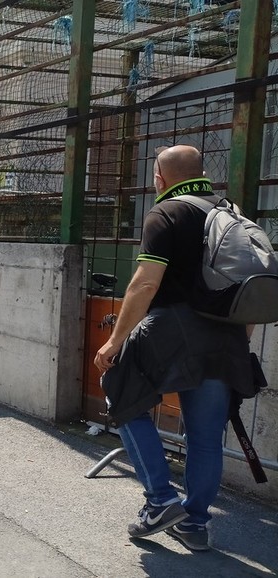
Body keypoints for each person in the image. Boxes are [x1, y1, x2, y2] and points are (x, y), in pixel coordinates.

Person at [94, 145, 253, 552]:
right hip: (228, 335)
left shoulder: (166, 212)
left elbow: (146, 283)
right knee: (205, 437)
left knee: (121, 392)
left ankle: (161, 500)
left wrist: (114, 341)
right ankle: (195, 524)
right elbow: (250, 289)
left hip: (174, 330)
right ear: (202, 173)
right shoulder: (232, 214)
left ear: (160, 178)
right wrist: (240, 341)